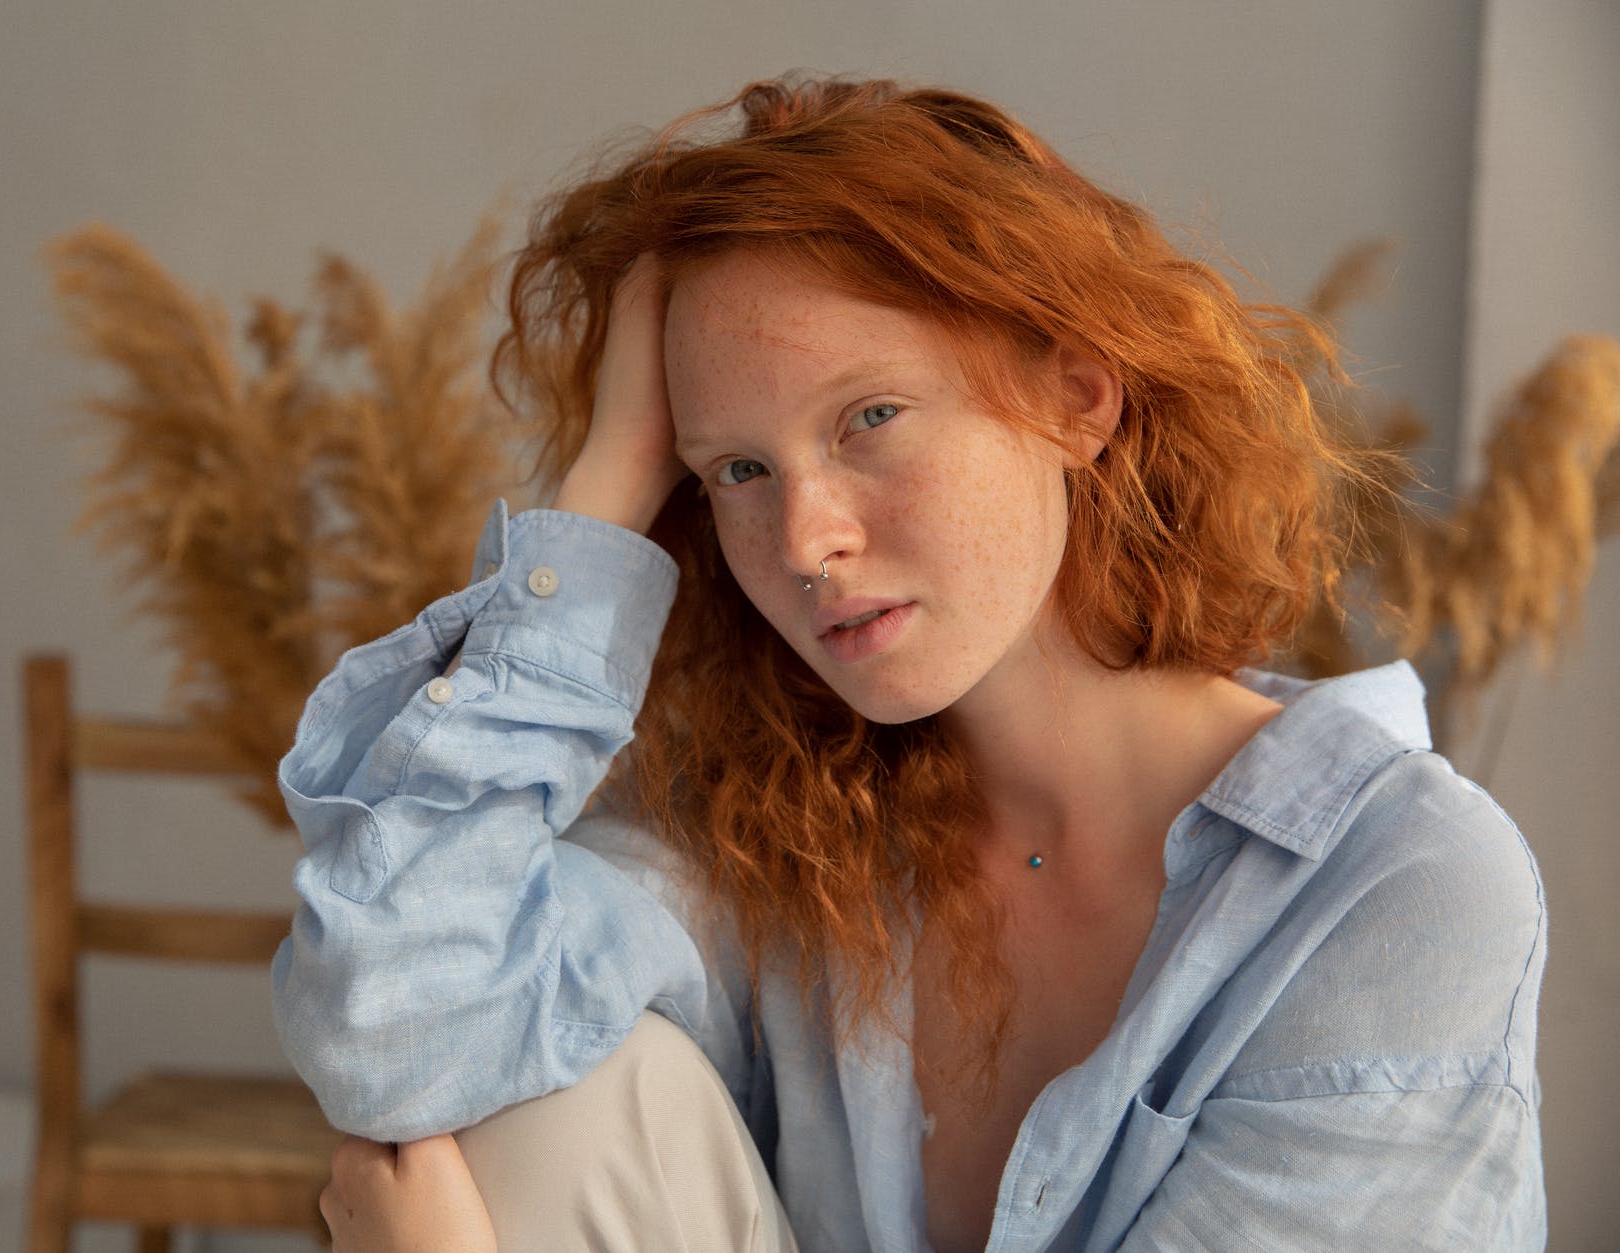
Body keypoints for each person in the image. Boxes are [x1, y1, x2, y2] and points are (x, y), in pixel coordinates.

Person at [272, 76, 1547, 1251]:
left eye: (868, 418)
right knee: (534, 1104)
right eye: (736, 470)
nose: (806, 539)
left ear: (1077, 397)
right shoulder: (778, 839)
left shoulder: (1391, 885)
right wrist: (606, 490)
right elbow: (403, 1033)